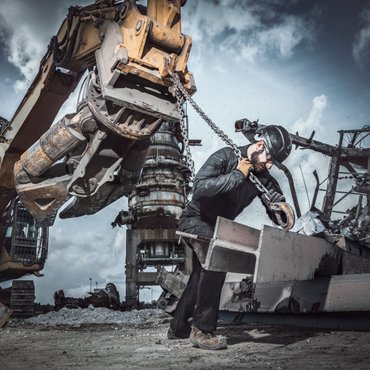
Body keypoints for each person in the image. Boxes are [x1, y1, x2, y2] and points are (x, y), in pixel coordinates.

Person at [168, 125, 292, 350]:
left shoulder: (263, 177)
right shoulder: (225, 156)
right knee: (217, 261)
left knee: (200, 274)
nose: (270, 164)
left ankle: (178, 328)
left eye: (275, 163)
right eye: (269, 158)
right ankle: (202, 331)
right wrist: (237, 175)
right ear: (259, 145)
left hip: (219, 227)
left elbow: (275, 206)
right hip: (196, 219)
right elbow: (201, 188)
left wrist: (280, 211)